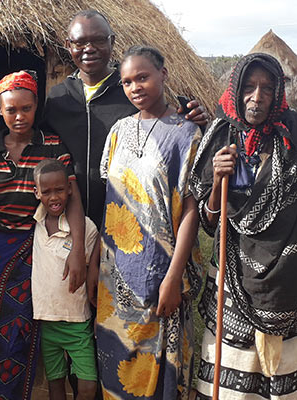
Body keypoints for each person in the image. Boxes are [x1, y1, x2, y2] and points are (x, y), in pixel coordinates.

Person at [189, 53, 297, 399]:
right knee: (228, 374)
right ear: (236, 90)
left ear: (278, 91)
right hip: (231, 277)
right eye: (249, 87)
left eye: (266, 88)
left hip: (286, 278)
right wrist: (218, 181)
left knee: (279, 378)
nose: (257, 96)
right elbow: (207, 220)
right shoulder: (221, 134)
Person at [0, 9, 209, 228]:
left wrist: (198, 121)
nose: (89, 48)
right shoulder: (58, 97)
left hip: (128, 217)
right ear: (68, 45)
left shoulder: (132, 93)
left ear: (112, 42)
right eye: (79, 42)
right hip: (67, 218)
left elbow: (169, 130)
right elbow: (31, 134)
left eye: (98, 40)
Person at [0, 70, 86, 400]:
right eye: (11, 110)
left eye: (26, 108)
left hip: (34, 249)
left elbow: (73, 202)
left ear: (36, 106)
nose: (19, 116)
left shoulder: (53, 146)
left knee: (23, 333)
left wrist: (78, 250)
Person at [96, 45, 202, 400]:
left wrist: (173, 276)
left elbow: (191, 210)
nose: (135, 87)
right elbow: (112, 201)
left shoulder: (186, 134)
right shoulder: (117, 132)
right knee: (115, 367)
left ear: (163, 74)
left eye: (143, 77)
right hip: (114, 278)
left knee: (159, 376)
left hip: (160, 273)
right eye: (127, 82)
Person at [31, 159, 101, 400]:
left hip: (77, 322)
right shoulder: (35, 224)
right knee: (55, 383)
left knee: (88, 385)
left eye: (59, 190)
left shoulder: (85, 228)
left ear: (69, 189)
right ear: (36, 193)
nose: (53, 197)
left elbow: (99, 247)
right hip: (47, 320)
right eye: (47, 191)